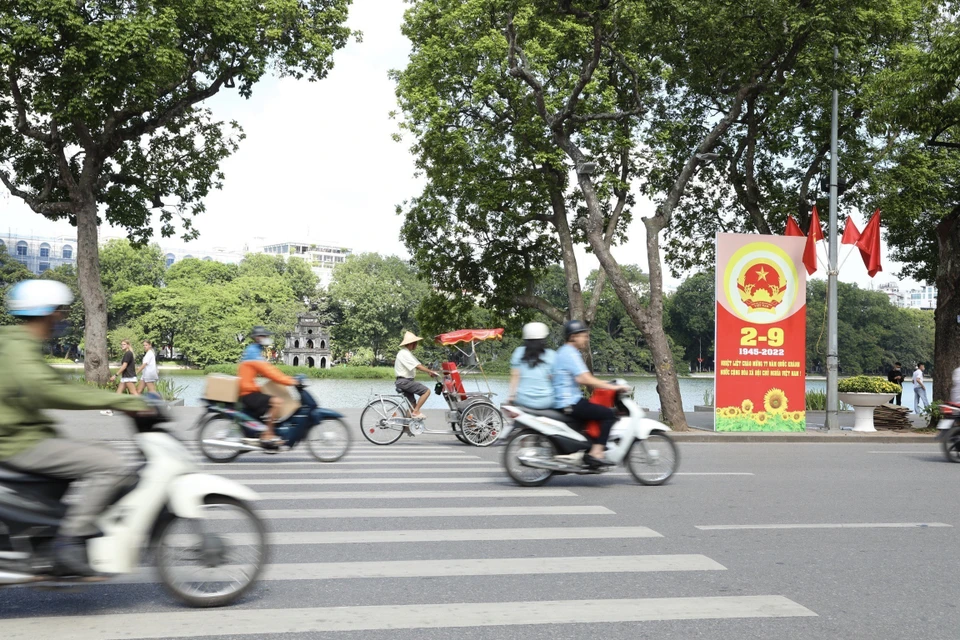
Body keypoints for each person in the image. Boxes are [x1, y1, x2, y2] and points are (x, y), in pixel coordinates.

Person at [0, 280, 149, 576]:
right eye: (62, 312)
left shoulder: (17, 343)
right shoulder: (19, 351)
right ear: (47, 313)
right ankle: (68, 543)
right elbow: (52, 390)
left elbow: (51, 386)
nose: (64, 319)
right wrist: (125, 403)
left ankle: (46, 535)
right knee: (112, 463)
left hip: (23, 438)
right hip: (19, 443)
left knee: (83, 456)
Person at [552, 319, 631, 469]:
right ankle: (596, 452)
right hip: (570, 402)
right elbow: (585, 378)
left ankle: (585, 451)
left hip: (565, 401)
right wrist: (611, 387)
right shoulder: (570, 353)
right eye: (584, 335)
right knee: (608, 414)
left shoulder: (563, 352)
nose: (586, 339)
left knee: (593, 412)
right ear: (573, 336)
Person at [239, 326, 299, 447]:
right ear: (258, 338)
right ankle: (268, 434)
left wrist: (285, 378)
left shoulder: (254, 350)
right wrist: (290, 381)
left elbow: (268, 370)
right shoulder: (253, 352)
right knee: (276, 402)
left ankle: (263, 430)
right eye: (265, 336)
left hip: (248, 390)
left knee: (268, 399)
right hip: (247, 392)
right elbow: (269, 372)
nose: (267, 339)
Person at [507, 322, 555, 409]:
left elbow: (515, 376)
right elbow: (554, 379)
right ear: (543, 339)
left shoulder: (518, 352)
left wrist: (511, 397)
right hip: (546, 402)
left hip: (522, 400)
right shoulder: (551, 355)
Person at [394, 331, 438, 418]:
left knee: (412, 405)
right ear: (411, 343)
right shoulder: (404, 353)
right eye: (415, 343)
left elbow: (418, 365)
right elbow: (418, 366)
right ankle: (416, 412)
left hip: (404, 381)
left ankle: (406, 428)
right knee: (426, 391)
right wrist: (430, 371)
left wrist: (429, 372)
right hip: (404, 382)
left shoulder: (406, 353)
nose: (417, 344)